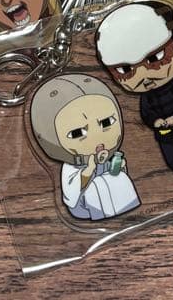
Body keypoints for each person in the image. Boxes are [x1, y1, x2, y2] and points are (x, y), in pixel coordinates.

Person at [96, 1, 173, 182]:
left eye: (155, 58)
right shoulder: (146, 96)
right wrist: (156, 121)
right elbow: (147, 112)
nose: (143, 75)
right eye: (125, 70)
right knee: (172, 156)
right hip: (165, 133)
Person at [29, 72, 140, 221]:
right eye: (77, 133)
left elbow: (115, 173)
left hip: (113, 194)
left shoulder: (109, 155)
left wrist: (118, 167)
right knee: (96, 188)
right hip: (83, 205)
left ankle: (124, 209)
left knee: (119, 180)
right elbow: (71, 193)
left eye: (106, 122)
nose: (96, 136)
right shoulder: (72, 167)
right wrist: (88, 170)